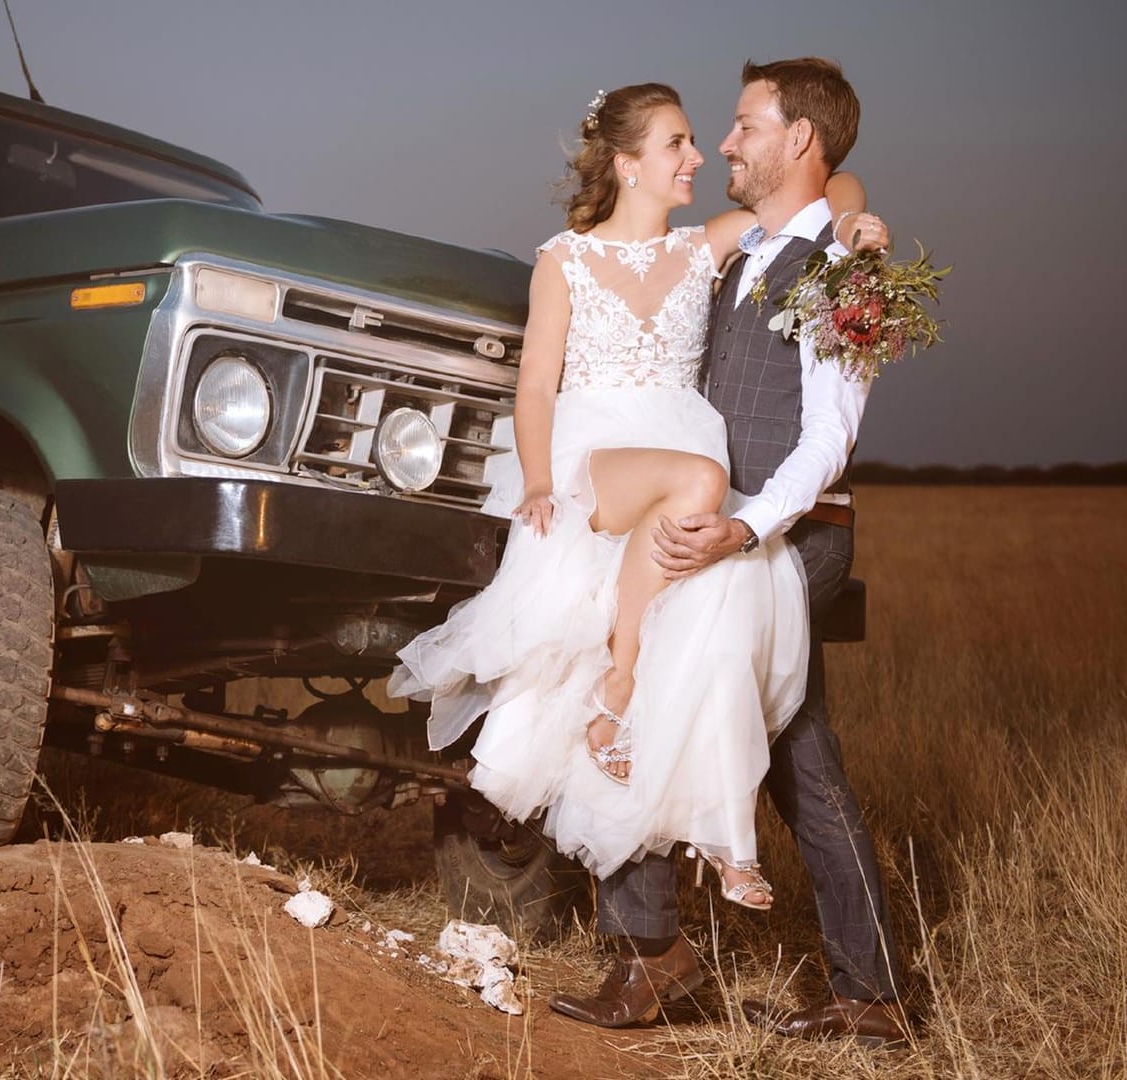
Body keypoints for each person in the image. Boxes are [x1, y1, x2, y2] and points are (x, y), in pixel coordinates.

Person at [390, 76, 886, 920]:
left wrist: (856, 226)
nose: (701, 154)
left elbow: (827, 184)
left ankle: (683, 888)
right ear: (626, 164)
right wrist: (541, 479)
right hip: (600, 459)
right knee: (693, 504)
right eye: (678, 144)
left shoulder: (707, 245)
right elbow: (536, 386)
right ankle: (618, 687)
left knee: (700, 658)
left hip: (682, 455)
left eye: (708, 137)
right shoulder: (565, 260)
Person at [546, 58, 912, 1048]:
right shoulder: (752, 248)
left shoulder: (844, 272)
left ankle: (650, 953)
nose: (728, 145)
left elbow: (832, 434)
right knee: (804, 761)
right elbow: (840, 186)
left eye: (747, 125)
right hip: (719, 529)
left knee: (646, 685)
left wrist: (747, 530)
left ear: (796, 138)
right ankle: (866, 994)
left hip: (788, 535)